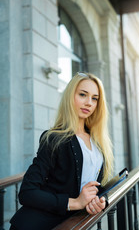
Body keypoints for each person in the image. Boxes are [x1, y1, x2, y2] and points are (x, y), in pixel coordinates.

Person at [10, 72, 113, 230]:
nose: (89, 103)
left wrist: (101, 200)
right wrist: (75, 203)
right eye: (83, 95)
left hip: (74, 223)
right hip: (39, 225)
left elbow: (94, 184)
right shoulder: (53, 138)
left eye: (94, 98)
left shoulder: (98, 141)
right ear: (70, 96)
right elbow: (27, 192)